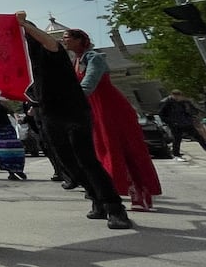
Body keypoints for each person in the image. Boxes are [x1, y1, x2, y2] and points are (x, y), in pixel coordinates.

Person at [17, 14, 131, 228]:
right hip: (49, 113)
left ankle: (115, 208)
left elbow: (50, 42)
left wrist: (23, 24)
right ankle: (95, 198)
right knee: (68, 163)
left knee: (87, 160)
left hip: (73, 111)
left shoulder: (52, 51)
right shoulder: (26, 62)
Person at [62, 28, 162, 211]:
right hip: (92, 109)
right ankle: (114, 190)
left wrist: (74, 99)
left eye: (67, 38)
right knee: (103, 151)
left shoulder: (94, 58)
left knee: (126, 150)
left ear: (79, 40)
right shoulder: (74, 61)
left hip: (110, 108)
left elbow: (89, 81)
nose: (64, 41)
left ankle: (141, 193)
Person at [159, 90, 206, 160]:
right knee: (177, 140)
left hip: (185, 123)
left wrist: (189, 118)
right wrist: (171, 123)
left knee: (199, 138)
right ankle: (176, 155)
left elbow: (184, 111)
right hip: (175, 125)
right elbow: (161, 114)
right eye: (179, 96)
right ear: (174, 96)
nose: (181, 98)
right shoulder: (166, 103)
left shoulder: (181, 102)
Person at [0, 100, 27, 180]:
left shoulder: (1, 101)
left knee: (15, 149)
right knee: (2, 152)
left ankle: (18, 170)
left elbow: (12, 111)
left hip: (7, 128)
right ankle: (11, 172)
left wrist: (17, 118)